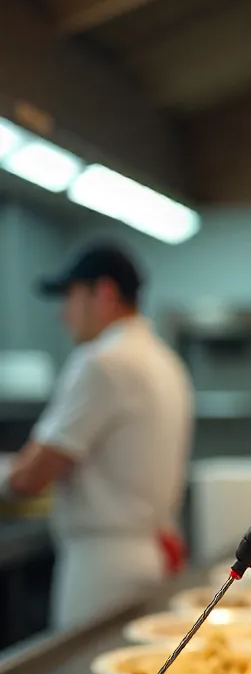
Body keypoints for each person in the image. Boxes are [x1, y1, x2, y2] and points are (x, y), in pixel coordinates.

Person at [0, 242, 194, 630]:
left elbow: (31, 476)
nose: (63, 314)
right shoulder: (163, 359)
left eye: (70, 297)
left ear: (103, 293)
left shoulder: (102, 362)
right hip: (152, 551)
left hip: (103, 566)